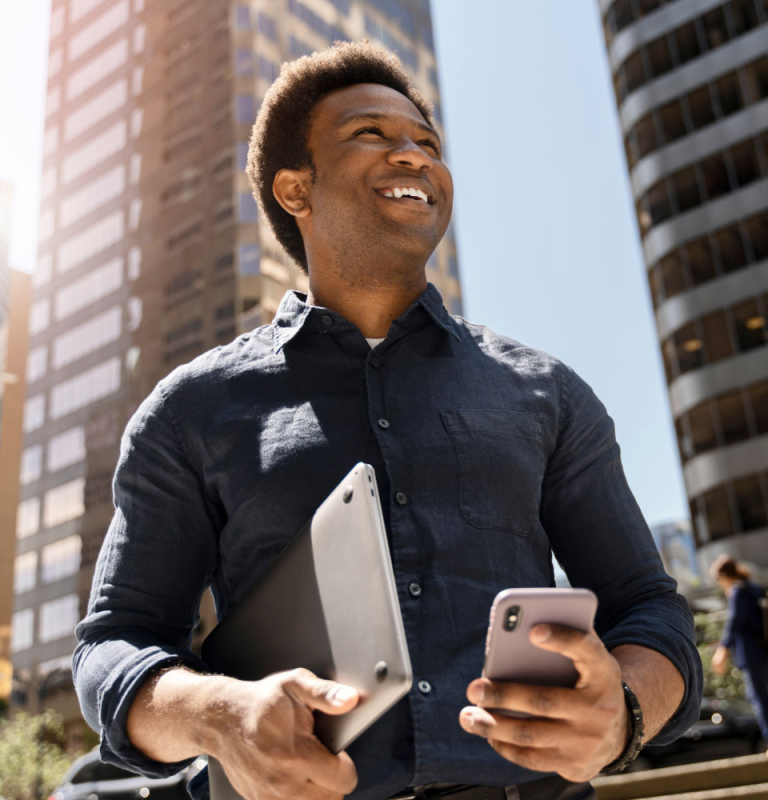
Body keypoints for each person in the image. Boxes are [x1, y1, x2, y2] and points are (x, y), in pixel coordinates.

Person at [73, 42, 702, 800]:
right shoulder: (190, 410)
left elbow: (649, 610)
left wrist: (625, 710)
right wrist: (217, 714)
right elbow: (115, 643)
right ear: (295, 190)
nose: (413, 156)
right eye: (371, 134)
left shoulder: (549, 394)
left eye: (427, 145)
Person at [710, 555, 768, 745]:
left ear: (724, 576)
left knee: (760, 699)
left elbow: (733, 623)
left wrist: (722, 651)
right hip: (764, 649)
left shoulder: (737, 591)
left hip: (752, 655)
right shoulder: (752, 587)